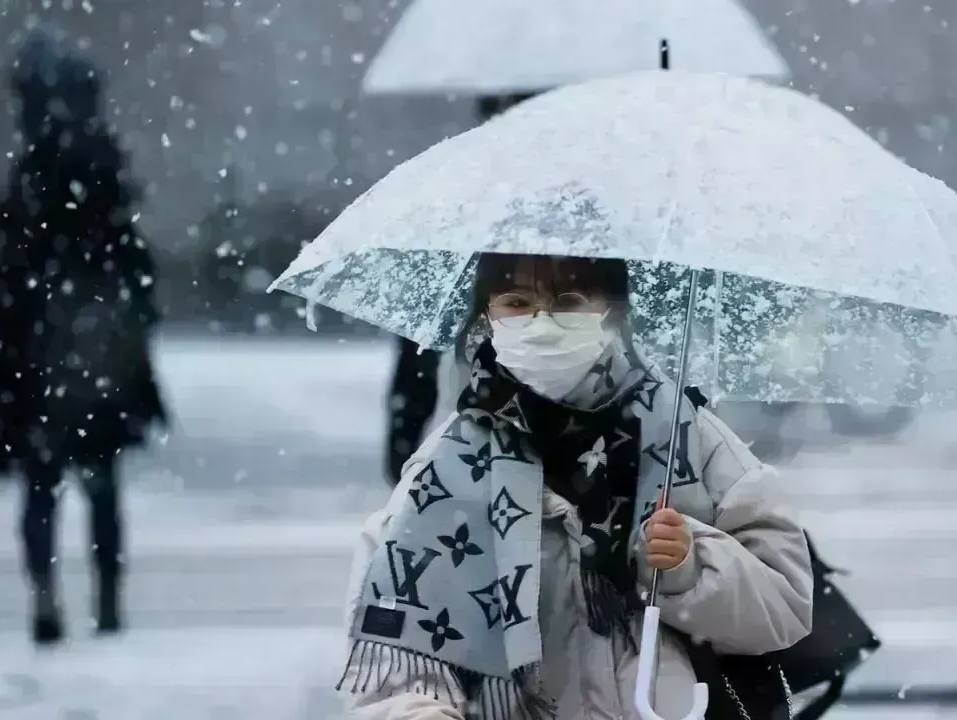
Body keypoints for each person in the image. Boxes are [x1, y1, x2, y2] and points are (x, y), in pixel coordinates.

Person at [341, 253, 813, 719]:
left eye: (568, 300)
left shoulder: (686, 440)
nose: (542, 323)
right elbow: (392, 659)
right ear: (486, 315)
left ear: (613, 310)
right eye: (516, 302)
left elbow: (785, 606)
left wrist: (691, 567)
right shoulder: (446, 470)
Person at [0, 32, 168, 644]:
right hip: (98, 353)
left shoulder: (29, 178)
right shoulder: (104, 172)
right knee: (98, 483)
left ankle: (47, 598)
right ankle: (107, 600)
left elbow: (7, 275)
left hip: (38, 354)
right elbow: (135, 273)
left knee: (42, 487)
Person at [385, 94, 540, 486]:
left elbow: (418, 343)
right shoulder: (460, 203)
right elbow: (420, 337)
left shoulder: (460, 198)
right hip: (484, 410)